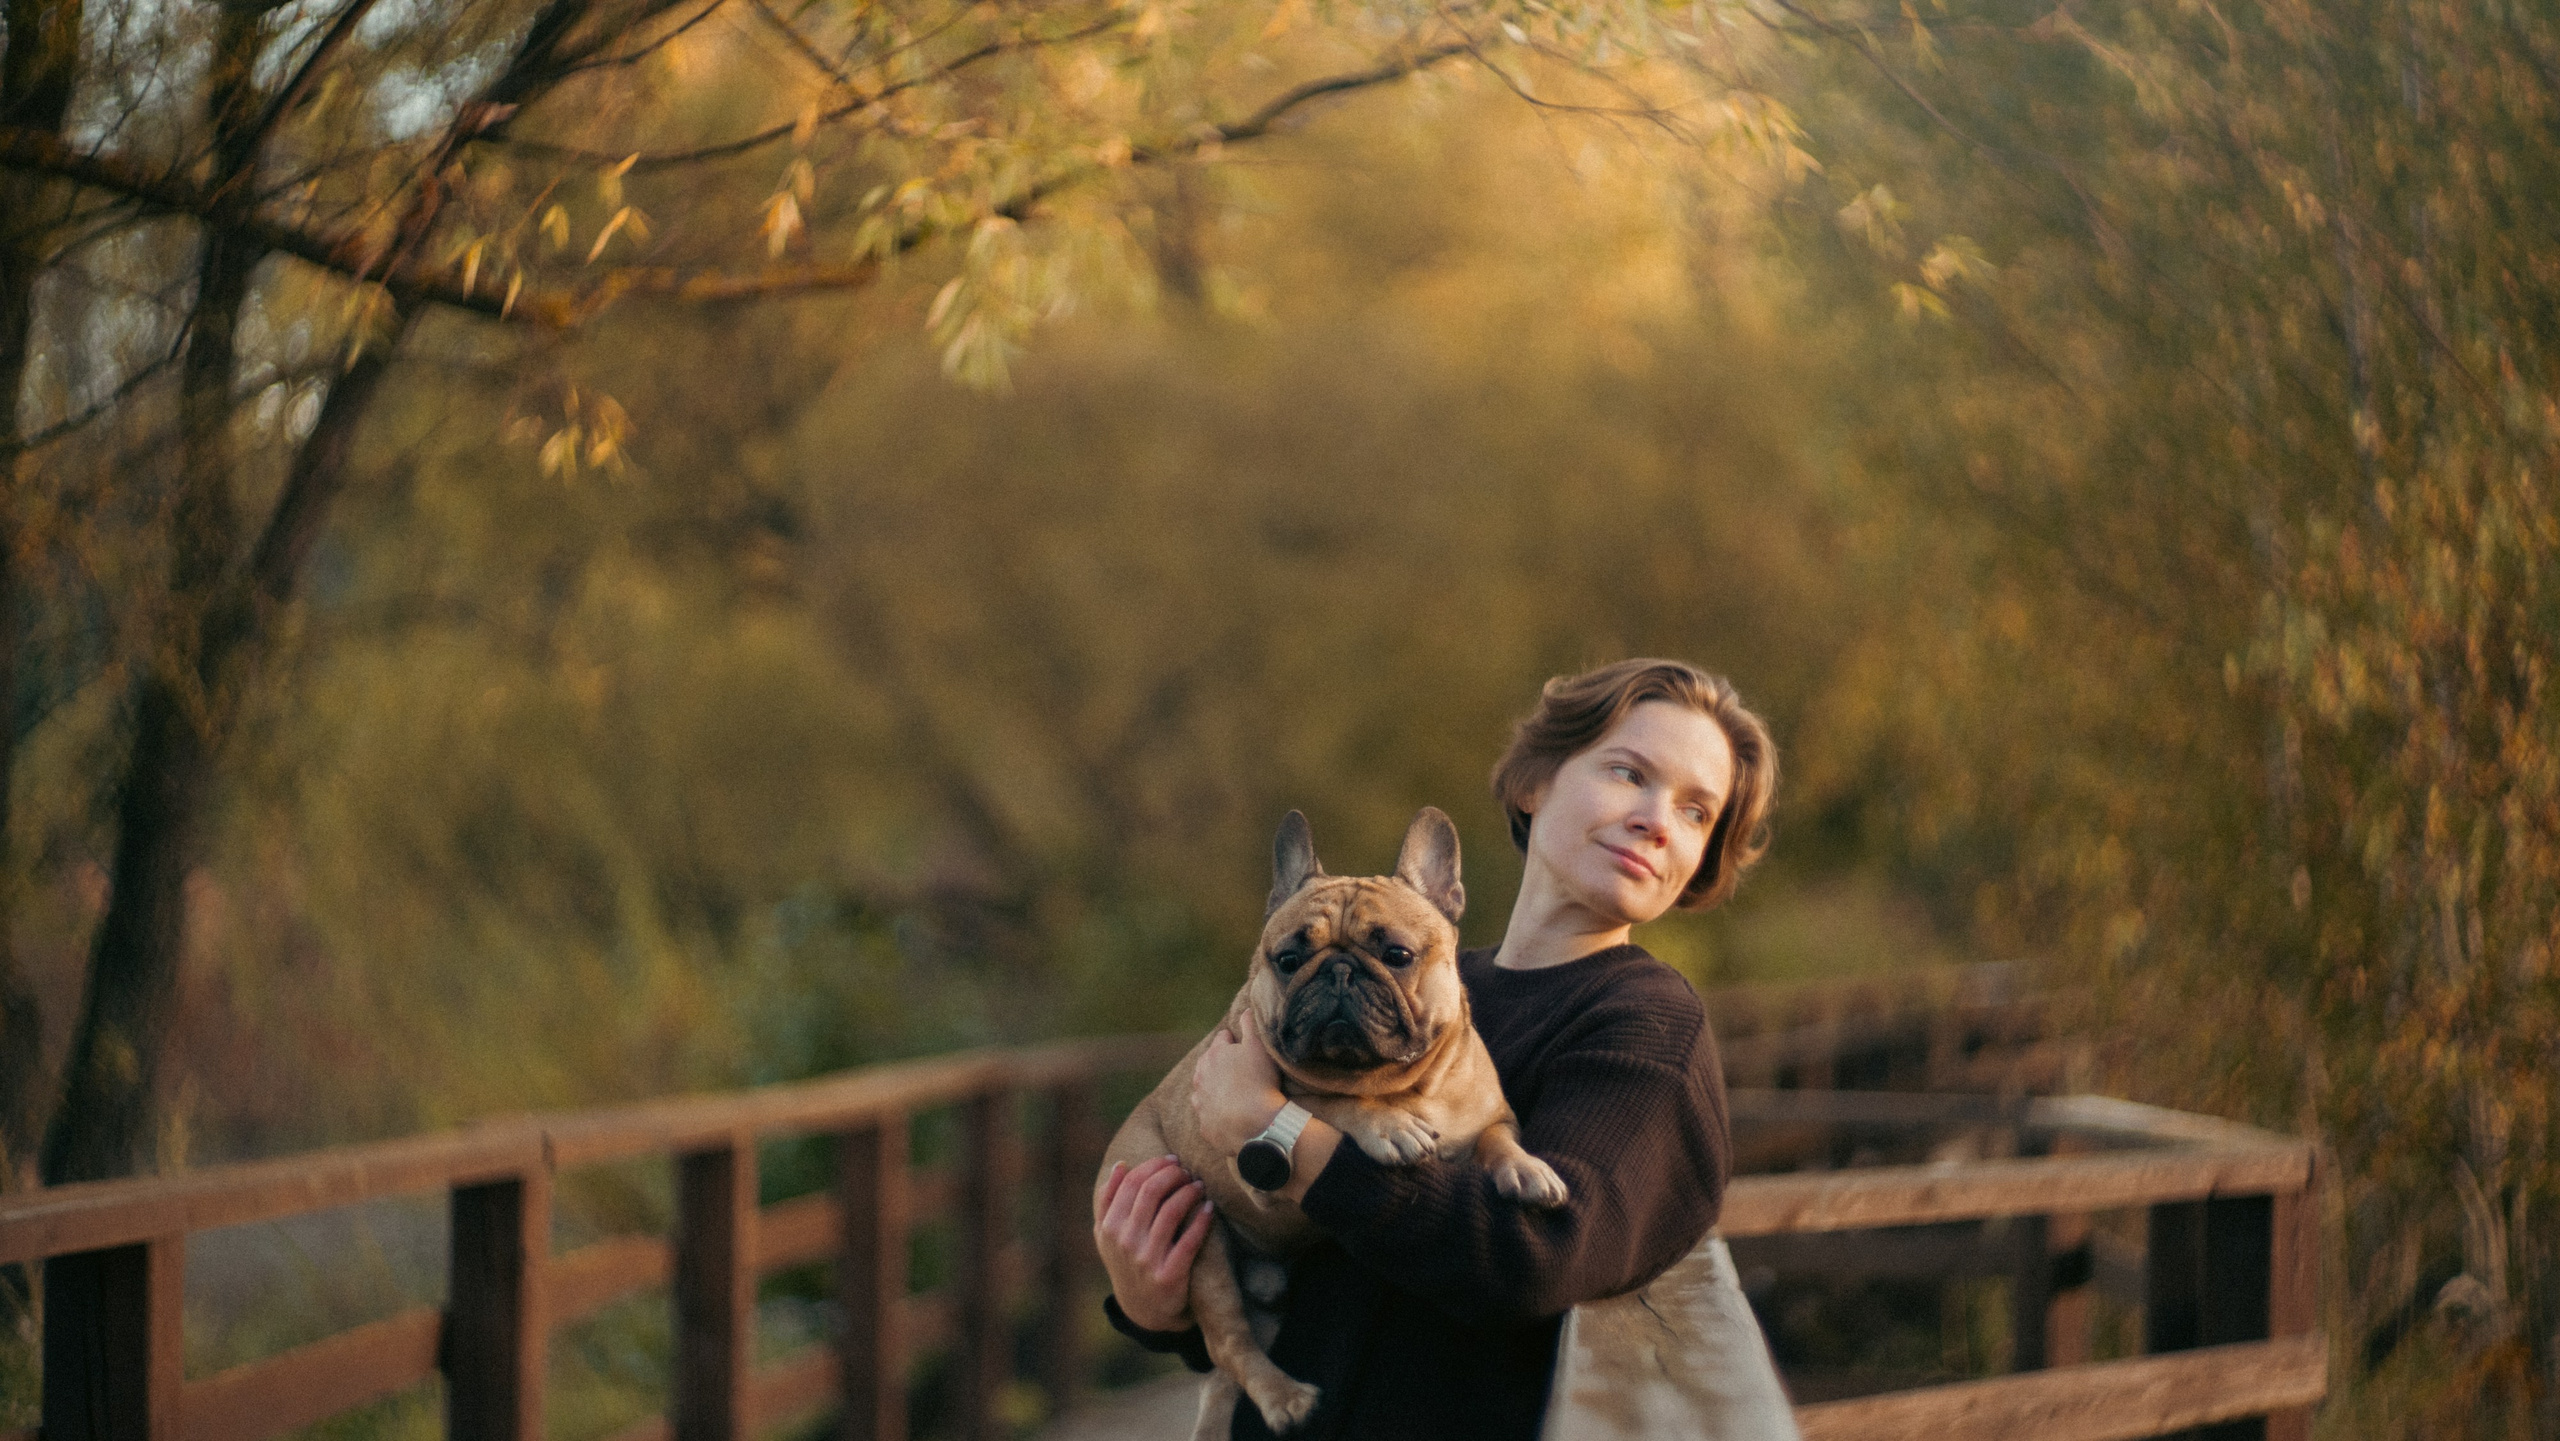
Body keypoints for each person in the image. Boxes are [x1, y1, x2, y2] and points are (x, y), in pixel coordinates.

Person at [1092, 659, 1778, 1441]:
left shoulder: (1645, 1028)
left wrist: (1279, 1129)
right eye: (1630, 773)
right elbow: (1331, 1273)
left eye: (1697, 812)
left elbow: (1539, 1258)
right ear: (1534, 782)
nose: (1658, 818)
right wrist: (1153, 1301)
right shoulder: (1419, 986)